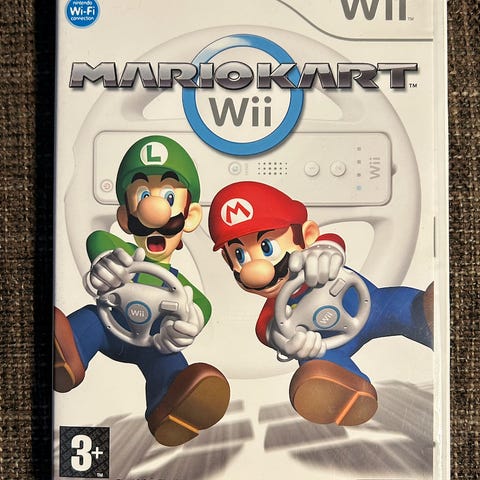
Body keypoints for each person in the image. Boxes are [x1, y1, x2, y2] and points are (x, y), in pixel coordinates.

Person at [208, 181, 433, 426]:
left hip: (374, 308)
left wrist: (324, 253)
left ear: (307, 236)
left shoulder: (320, 254)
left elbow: (331, 242)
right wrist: (290, 343)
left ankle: (431, 319)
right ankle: (347, 392)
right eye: (239, 255)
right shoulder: (274, 312)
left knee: (403, 305)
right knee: (316, 365)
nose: (255, 271)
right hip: (326, 346)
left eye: (266, 247)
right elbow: (267, 330)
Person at [54, 135, 230, 446]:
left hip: (153, 345)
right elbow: (98, 240)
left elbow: (201, 305)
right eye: (143, 194)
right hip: (107, 328)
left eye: (169, 196)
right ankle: (68, 356)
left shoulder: (180, 286)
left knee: (169, 360)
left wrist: (188, 324)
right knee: (88, 319)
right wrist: (106, 263)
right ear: (125, 217)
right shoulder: (119, 252)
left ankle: (171, 404)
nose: (154, 210)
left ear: (190, 217)